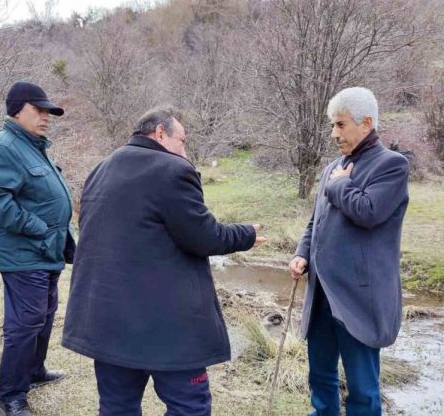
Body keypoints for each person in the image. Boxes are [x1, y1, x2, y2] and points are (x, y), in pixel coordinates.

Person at [62, 106, 266, 416]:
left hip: (106, 318)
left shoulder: (101, 169)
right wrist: (246, 234)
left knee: (117, 407)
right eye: (182, 141)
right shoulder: (173, 170)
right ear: (160, 133)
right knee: (189, 407)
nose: (185, 151)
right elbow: (204, 237)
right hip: (166, 327)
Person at [289, 87, 409, 416]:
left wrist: (341, 184)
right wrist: (302, 252)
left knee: (362, 390)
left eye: (340, 125)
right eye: (333, 125)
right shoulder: (332, 168)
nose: (334, 134)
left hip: (359, 300)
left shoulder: (391, 165)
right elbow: (316, 222)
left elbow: (369, 212)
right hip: (323, 296)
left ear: (366, 123)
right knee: (321, 379)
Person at [0, 81, 76, 416]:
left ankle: (34, 371)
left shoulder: (33, 146)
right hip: (23, 254)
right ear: (17, 109)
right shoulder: (3, 146)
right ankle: (9, 397)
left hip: (46, 251)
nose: (46, 117)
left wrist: (64, 238)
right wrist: (39, 229)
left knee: (44, 315)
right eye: (39, 110)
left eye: (49, 111)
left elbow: (46, 197)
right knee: (26, 322)